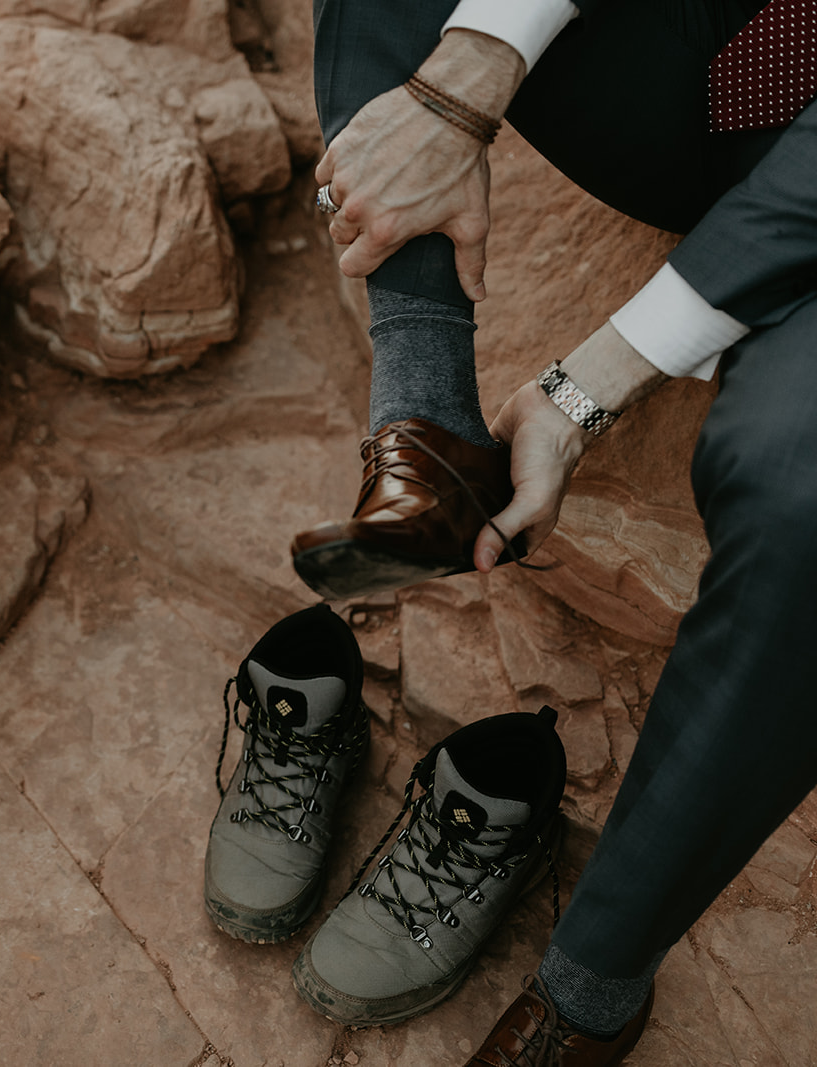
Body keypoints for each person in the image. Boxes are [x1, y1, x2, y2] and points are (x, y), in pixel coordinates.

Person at [287, 0, 817, 1062]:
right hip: (720, 53)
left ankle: (589, 991)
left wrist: (588, 389)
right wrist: (466, 75)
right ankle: (427, 421)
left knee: (798, 497)